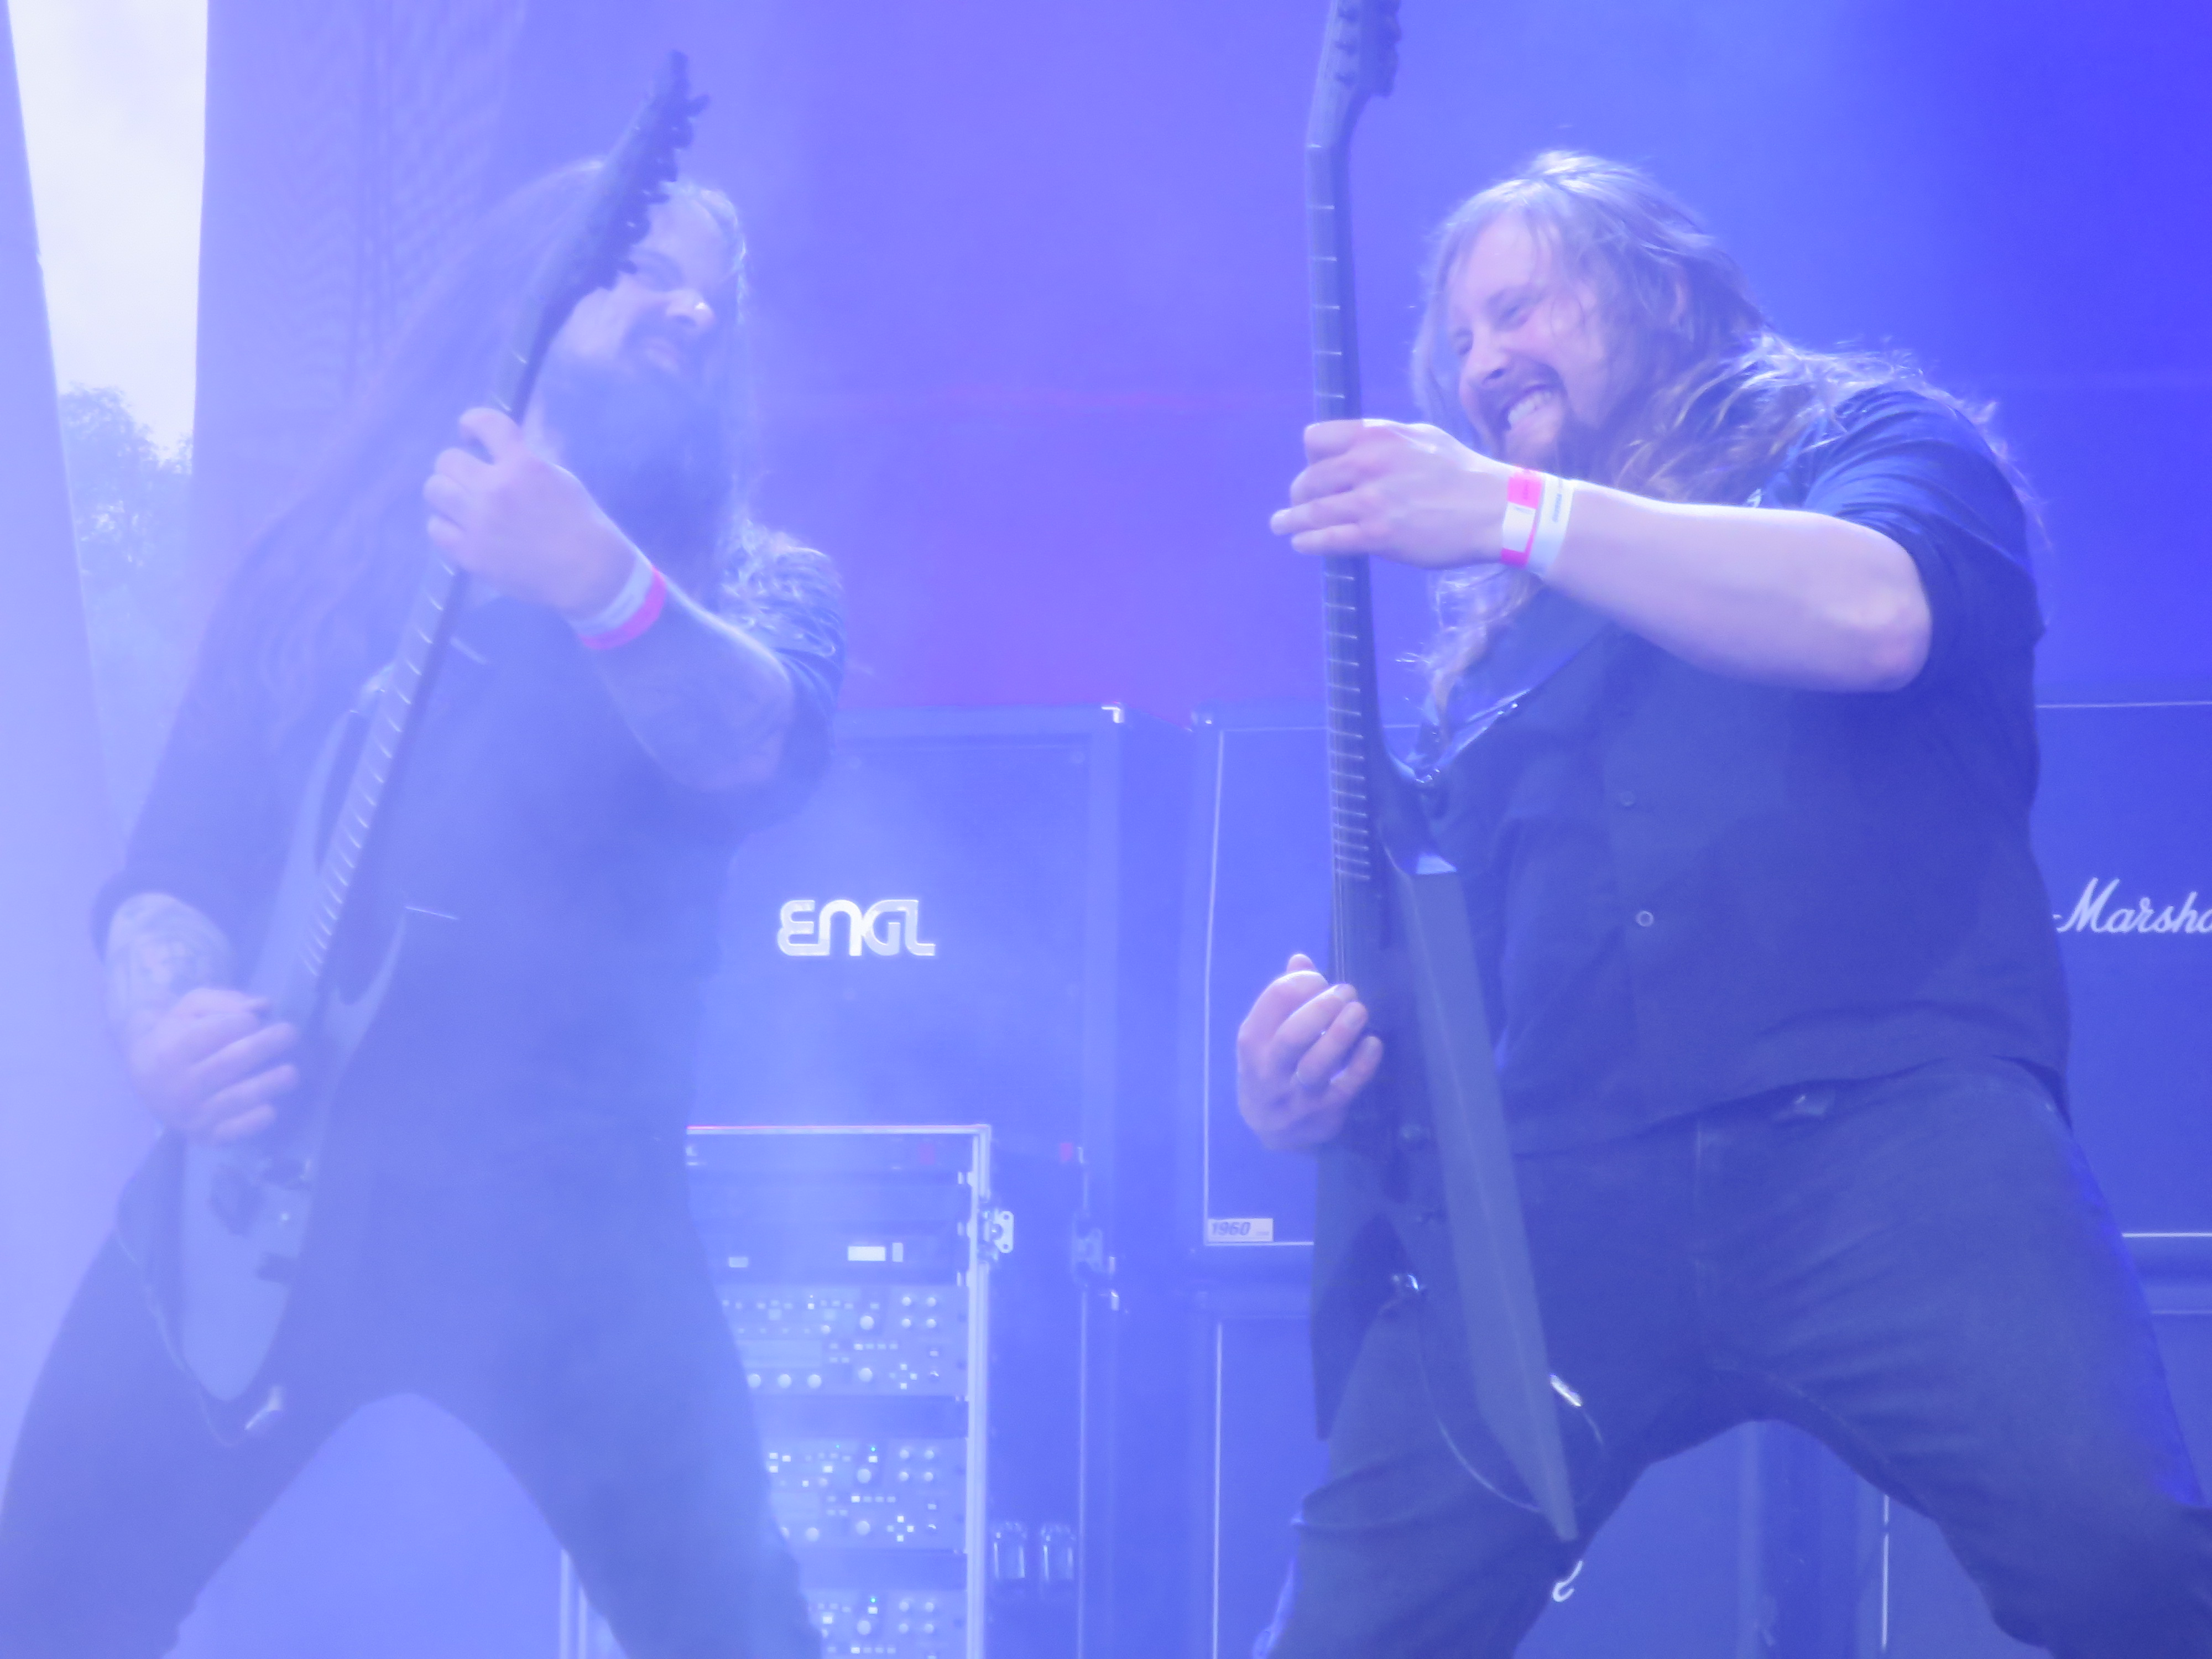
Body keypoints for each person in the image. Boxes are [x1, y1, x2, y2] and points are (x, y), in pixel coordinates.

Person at [1238, 152, 2212, 1657]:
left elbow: (1876, 616)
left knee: (2123, 1562)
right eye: (1463, 341)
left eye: (1521, 309)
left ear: (1666, 292)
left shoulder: (1873, 440)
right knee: (1349, 1631)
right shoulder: (1502, 655)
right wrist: (1318, 1086)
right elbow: (1463, 1004)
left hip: (1891, 1143)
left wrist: (1512, 509)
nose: (1484, 361)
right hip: (1569, 1189)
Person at [0, 163, 839, 1659]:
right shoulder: (327, 558)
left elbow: (755, 750)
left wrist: (598, 583)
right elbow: (179, 862)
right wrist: (162, 1025)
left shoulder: (749, 582)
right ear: (537, 280)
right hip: (260, 1185)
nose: (694, 309)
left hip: (574, 1225)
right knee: (47, 1597)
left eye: (718, 295)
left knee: (735, 1631)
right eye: (648, 267)